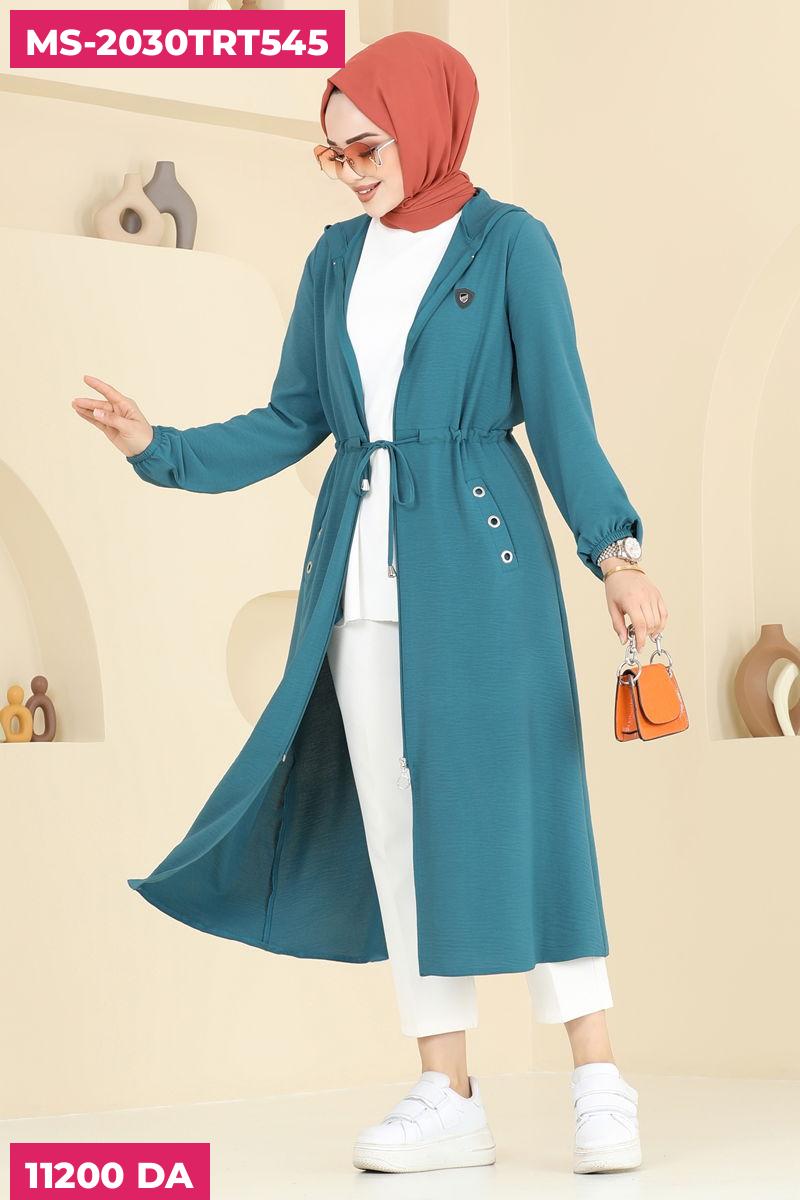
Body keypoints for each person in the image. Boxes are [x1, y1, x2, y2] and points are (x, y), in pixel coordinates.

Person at [73, 30, 665, 1179]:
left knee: (532, 810)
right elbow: (295, 415)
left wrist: (616, 554)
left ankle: (597, 1074)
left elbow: (560, 415)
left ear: (426, 125)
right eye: (332, 154)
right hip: (356, 579)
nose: (348, 173)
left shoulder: (508, 242)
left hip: (485, 567)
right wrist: (161, 447)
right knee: (397, 835)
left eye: (365, 149)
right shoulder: (335, 258)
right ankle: (447, 1091)